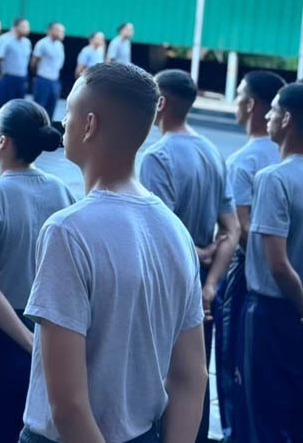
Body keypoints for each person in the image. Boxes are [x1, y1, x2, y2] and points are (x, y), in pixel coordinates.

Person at [21, 64, 208, 443]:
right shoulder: (176, 232)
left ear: (89, 125)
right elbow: (192, 378)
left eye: (69, 112)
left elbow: (69, 407)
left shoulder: (68, 231)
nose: (63, 122)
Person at [0, 99, 72, 443]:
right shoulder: (60, 190)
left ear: (2, 141)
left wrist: (30, 344)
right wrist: (39, 342)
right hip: (43, 325)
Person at [139, 69, 239, 443]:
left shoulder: (157, 157)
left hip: (168, 290)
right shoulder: (212, 151)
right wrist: (209, 286)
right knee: (196, 380)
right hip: (202, 294)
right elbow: (232, 230)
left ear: (161, 102)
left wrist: (194, 255)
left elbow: (160, 235)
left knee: (162, 386)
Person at [216, 70, 285, 440]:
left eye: (240, 94)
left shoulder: (243, 161)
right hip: (290, 278)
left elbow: (240, 231)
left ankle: (235, 433)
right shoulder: (287, 152)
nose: (236, 102)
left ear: (252, 104)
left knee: (234, 364)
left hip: (249, 276)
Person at [243, 82, 303, 442]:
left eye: (275, 110)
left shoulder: (273, 179)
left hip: (274, 311)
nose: (268, 115)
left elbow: (277, 265)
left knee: (265, 419)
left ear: (288, 119)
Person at [0, 18, 32, 111]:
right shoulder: (6, 40)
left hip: (21, 78)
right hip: (8, 78)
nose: (27, 29)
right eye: (24, 26)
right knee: (4, 107)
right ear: (16, 27)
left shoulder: (27, 42)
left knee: (18, 108)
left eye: (27, 27)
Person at [31, 23, 65, 121]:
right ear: (51, 30)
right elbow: (34, 62)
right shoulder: (42, 43)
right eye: (59, 30)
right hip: (43, 79)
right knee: (39, 108)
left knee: (51, 108)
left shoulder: (60, 45)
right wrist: (36, 76)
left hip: (54, 80)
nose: (61, 33)